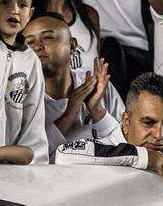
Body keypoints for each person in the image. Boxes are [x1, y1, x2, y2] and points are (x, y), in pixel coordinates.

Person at [22, 13, 121, 148]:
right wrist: (69, 115)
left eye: (48, 38)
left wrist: (96, 110)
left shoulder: (98, 86)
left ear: (72, 45)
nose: (37, 47)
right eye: (29, 42)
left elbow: (127, 142)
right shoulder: (21, 96)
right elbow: (30, 153)